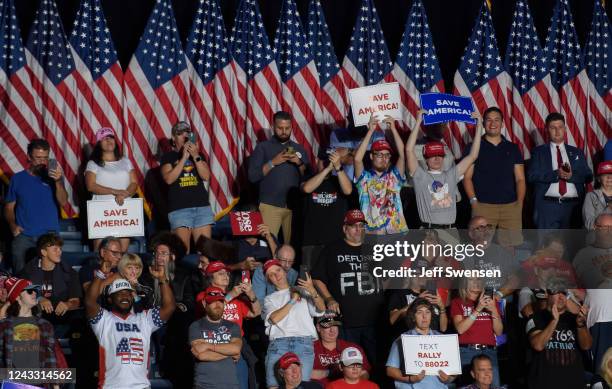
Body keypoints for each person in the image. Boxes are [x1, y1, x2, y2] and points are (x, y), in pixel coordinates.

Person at [84, 260, 175, 389]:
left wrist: (162, 280)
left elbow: (169, 307)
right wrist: (101, 275)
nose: (125, 296)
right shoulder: (103, 320)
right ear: (110, 299)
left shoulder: (144, 319)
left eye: (128, 293)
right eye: (120, 293)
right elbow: (89, 302)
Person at [311, 209, 384, 365]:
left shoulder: (375, 249)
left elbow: (389, 277)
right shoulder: (331, 250)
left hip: (375, 321)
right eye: (353, 226)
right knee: (349, 364)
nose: (358, 229)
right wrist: (329, 298)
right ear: (345, 228)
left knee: (378, 364)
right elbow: (317, 278)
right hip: (346, 322)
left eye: (361, 225)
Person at [406, 110, 482, 228]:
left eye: (440, 155)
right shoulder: (420, 176)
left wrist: (479, 126)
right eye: (432, 155)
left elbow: (473, 156)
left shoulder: (451, 175)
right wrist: (418, 122)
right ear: (425, 159)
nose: (437, 158)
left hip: (450, 233)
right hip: (428, 232)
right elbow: (408, 150)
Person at [463, 107, 525, 247]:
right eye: (489, 120)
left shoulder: (513, 148)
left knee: (511, 249)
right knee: (480, 247)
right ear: (483, 123)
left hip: (510, 207)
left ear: (502, 123)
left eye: (497, 120)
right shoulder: (473, 147)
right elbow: (467, 178)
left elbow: (520, 179)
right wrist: (474, 202)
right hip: (483, 206)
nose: (493, 123)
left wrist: (519, 203)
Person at [5, 138, 68, 273]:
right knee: (18, 261)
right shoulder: (17, 179)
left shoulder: (54, 177)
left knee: (52, 273)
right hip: (24, 234)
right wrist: (12, 225)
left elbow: (63, 201)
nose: (42, 162)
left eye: (45, 158)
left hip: (49, 234)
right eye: (38, 158)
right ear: (29, 157)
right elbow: (9, 207)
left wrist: (57, 181)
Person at [263, 259, 326, 388]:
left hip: (303, 343)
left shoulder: (304, 290)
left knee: (301, 385)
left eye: (278, 270)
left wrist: (312, 290)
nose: (276, 275)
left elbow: (321, 309)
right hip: (278, 344)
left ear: (285, 271)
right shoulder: (269, 299)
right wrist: (292, 301)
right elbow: (274, 318)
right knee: (274, 385)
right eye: (271, 275)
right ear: (270, 280)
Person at [248, 111, 309, 244]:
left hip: (293, 207)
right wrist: (273, 162)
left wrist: (298, 163)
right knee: (267, 246)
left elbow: (308, 177)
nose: (284, 131)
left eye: (287, 128)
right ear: (273, 127)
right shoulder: (262, 148)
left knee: (291, 249)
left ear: (292, 127)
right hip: (270, 205)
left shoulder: (299, 149)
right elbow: (253, 177)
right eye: (280, 128)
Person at [200, 260, 261, 389]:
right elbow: (212, 313)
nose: (226, 276)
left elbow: (255, 312)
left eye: (227, 273)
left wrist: (251, 294)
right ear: (210, 278)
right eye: (220, 274)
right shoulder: (203, 296)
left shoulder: (237, 300)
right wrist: (231, 294)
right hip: (216, 348)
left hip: (237, 348)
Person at [527, 112, 592, 229]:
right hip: (547, 207)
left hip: (573, 207)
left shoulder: (577, 152)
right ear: (547, 130)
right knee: (544, 246)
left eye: (560, 127)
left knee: (572, 245)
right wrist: (556, 174)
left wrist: (572, 176)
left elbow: (588, 176)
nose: (557, 131)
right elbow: (532, 176)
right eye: (553, 128)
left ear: (565, 129)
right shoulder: (538, 152)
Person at [526, 283, 592, 389]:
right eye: (557, 292)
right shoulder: (535, 318)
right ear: (547, 294)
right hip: (545, 384)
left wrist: (581, 325)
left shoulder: (575, 319)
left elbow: (587, 346)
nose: (561, 296)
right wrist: (554, 321)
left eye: (564, 293)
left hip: (574, 384)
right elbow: (537, 345)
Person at [161, 121, 213, 253]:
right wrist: (183, 158)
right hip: (180, 209)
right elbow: (169, 179)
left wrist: (195, 155)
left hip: (201, 207)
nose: (185, 136)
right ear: (173, 138)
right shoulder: (168, 157)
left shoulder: (199, 156)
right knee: (182, 252)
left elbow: (206, 176)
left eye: (187, 133)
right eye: (180, 133)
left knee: (206, 251)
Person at [85, 127, 138, 252]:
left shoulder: (125, 161)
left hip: (124, 211)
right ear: (98, 143)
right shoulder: (93, 163)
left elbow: (134, 183)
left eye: (111, 137)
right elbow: (91, 186)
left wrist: (124, 195)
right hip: (102, 214)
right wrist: (116, 192)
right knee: (101, 253)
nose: (109, 140)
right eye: (104, 138)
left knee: (122, 253)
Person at [354, 114, 407, 234]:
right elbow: (357, 159)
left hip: (396, 235)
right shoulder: (365, 179)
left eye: (387, 155)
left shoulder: (393, 178)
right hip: (371, 236)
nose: (384, 158)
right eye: (379, 154)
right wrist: (370, 131)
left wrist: (393, 129)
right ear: (371, 156)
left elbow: (403, 155)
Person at [302, 146, 353, 267]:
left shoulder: (339, 179)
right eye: (324, 160)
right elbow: (306, 188)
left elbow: (348, 190)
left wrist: (338, 168)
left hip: (335, 241)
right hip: (312, 242)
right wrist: (327, 169)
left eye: (329, 160)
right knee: (308, 280)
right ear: (317, 161)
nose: (326, 163)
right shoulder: (308, 178)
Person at [387, 298, 456, 388]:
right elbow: (390, 370)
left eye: (427, 312)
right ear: (413, 317)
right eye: (419, 312)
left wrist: (449, 379)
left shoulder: (442, 340)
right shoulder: (402, 339)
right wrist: (409, 379)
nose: (424, 316)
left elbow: (454, 371)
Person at [20, 233, 81, 329]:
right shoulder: (28, 271)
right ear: (44, 252)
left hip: (62, 318)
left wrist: (68, 305)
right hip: (36, 318)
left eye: (60, 249)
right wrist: (39, 299)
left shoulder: (69, 272)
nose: (59, 252)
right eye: (55, 249)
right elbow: (22, 296)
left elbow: (75, 301)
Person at [451, 279, 503, 387]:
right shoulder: (458, 302)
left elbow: (499, 332)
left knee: (494, 385)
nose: (476, 282)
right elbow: (460, 329)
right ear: (464, 283)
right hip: (466, 352)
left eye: (478, 279)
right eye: (471, 279)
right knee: (466, 385)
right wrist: (478, 308)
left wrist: (493, 309)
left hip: (489, 352)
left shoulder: (493, 302)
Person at [189, 286, 243, 389]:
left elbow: (236, 349)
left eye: (220, 301)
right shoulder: (196, 326)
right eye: (213, 301)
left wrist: (208, 346)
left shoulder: (233, 326)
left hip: (231, 385)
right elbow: (202, 356)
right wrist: (229, 354)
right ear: (205, 303)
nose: (217, 305)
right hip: (204, 385)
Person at [0, 277, 56, 370]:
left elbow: (50, 357)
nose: (34, 293)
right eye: (29, 291)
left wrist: (55, 384)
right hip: (13, 381)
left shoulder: (45, 325)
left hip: (38, 381)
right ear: (18, 297)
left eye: (35, 291)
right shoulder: (4, 325)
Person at [311, 313, 371, 385]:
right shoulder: (309, 349)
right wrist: (330, 373)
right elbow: (302, 374)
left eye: (335, 325)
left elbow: (364, 373)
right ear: (318, 327)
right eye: (328, 326)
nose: (332, 330)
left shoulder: (353, 347)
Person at [573, 214, 612, 288]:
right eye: (605, 228)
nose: (609, 232)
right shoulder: (583, 254)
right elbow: (573, 283)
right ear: (595, 228)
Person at [583, 160, 612, 229]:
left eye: (611, 175)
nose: (609, 178)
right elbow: (588, 223)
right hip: (597, 237)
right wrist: (609, 207)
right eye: (605, 175)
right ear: (598, 178)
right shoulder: (591, 196)